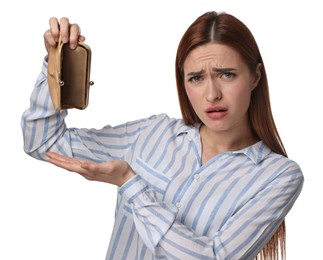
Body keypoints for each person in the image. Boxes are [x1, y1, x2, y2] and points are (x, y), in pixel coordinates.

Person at [21, 11, 304, 260]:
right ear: (183, 82)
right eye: (196, 78)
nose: (212, 94)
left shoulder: (279, 177)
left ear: (255, 76)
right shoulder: (152, 133)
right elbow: (44, 142)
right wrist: (58, 63)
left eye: (227, 74)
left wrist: (130, 184)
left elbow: (214, 257)